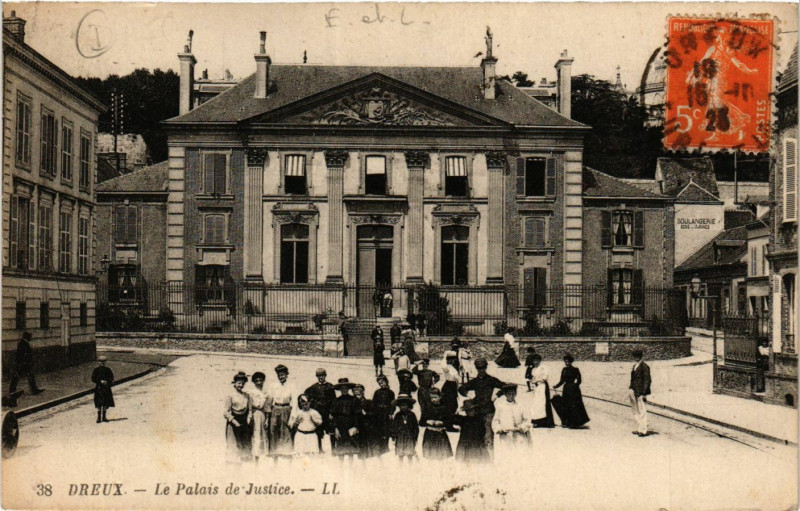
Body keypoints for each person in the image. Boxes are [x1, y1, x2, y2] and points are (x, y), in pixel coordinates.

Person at [458, 358, 505, 455]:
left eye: (483, 368)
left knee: (488, 437)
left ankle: (490, 461)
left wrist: (497, 395)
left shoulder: (491, 380)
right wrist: (469, 395)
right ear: (476, 369)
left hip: (489, 412)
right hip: (477, 413)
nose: (481, 370)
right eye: (479, 369)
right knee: (478, 437)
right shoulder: (474, 381)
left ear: (486, 368)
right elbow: (461, 388)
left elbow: (506, 387)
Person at [492, 383, 530, 460]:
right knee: (508, 457)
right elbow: (495, 421)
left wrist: (521, 427)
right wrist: (500, 429)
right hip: (506, 437)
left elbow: (527, 420)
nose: (511, 396)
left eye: (513, 393)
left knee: (520, 457)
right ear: (505, 394)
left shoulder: (520, 405)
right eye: (509, 394)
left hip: (519, 436)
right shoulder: (501, 406)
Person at [551, 354, 590, 429]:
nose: (567, 363)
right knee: (567, 405)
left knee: (574, 406)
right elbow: (562, 380)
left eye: (568, 362)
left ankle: (575, 422)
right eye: (565, 362)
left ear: (571, 362)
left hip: (574, 390)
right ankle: (568, 422)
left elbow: (579, 380)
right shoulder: (564, 370)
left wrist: (575, 386)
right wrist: (556, 386)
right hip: (566, 389)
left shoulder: (576, 369)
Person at [304, 368, 336, 453]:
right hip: (318, 412)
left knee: (331, 431)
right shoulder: (314, 387)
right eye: (319, 376)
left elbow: (334, 400)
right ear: (317, 376)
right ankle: (320, 449)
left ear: (325, 376)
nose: (321, 377)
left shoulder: (330, 386)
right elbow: (305, 395)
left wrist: (331, 412)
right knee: (319, 431)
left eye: (322, 375)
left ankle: (333, 449)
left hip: (328, 412)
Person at [224, 371, 253, 463]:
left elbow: (250, 410)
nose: (240, 385)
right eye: (239, 383)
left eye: (242, 384)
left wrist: (248, 419)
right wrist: (234, 422)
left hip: (244, 421)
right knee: (232, 443)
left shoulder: (247, 396)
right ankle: (232, 462)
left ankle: (243, 463)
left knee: (244, 442)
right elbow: (226, 412)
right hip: (233, 421)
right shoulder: (230, 395)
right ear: (235, 384)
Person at [331, 378, 361, 461]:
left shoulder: (354, 400)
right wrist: (336, 428)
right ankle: (340, 471)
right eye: (342, 388)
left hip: (350, 426)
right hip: (340, 427)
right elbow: (334, 417)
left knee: (350, 450)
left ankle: (351, 470)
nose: (344, 390)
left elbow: (357, 415)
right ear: (339, 389)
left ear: (349, 388)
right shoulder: (336, 401)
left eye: (346, 387)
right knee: (341, 451)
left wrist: (355, 427)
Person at [420, 388, 453, 460]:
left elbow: (449, 423)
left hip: (440, 434)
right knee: (430, 456)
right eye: (431, 397)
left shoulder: (444, 408)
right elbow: (421, 422)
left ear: (440, 397)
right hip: (429, 434)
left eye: (435, 397)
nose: (433, 399)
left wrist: (442, 423)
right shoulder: (427, 408)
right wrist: (427, 422)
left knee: (441, 456)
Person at [268, 365, 294, 457]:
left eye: (282, 375)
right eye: (279, 375)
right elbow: (269, 402)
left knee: (286, 430)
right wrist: (268, 417)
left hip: (286, 409)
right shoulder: (273, 386)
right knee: (274, 430)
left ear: (287, 375)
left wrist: (292, 418)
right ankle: (274, 452)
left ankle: (286, 453)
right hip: (276, 409)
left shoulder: (291, 386)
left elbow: (294, 402)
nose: (280, 377)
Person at [454, 399, 489, 464]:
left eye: (470, 410)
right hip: (465, 445)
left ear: (475, 410)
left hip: (476, 445)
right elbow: (453, 419)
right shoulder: (464, 419)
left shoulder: (480, 420)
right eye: (467, 411)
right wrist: (457, 412)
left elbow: (483, 432)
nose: (468, 412)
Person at [9, 332, 43, 396]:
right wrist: (24, 362)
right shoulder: (23, 343)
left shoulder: (23, 343)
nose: (31, 338)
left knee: (29, 376)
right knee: (17, 376)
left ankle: (34, 389)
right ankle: (12, 390)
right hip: (23, 364)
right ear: (26, 337)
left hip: (25, 363)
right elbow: (22, 355)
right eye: (30, 337)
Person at [249, 371, 272, 461]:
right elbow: (249, 406)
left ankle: (262, 456)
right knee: (255, 435)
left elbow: (267, 408)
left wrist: (267, 419)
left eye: (260, 380)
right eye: (256, 381)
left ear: (263, 381)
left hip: (262, 415)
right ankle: (255, 457)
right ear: (254, 382)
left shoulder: (266, 393)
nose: (259, 382)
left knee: (263, 435)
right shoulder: (251, 393)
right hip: (254, 415)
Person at [527, 354, 554, 428]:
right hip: (537, 388)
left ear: (539, 361)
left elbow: (545, 377)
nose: (535, 362)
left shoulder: (543, 367)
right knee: (536, 404)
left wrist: (536, 380)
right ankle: (537, 421)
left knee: (543, 403)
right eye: (534, 361)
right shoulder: (533, 369)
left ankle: (546, 422)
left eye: (537, 360)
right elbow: (533, 377)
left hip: (543, 386)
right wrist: (532, 381)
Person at [371, 375, 395, 456]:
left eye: (383, 382)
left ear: (386, 381)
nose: (382, 384)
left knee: (386, 430)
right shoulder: (377, 392)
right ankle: (380, 447)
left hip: (386, 414)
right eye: (379, 383)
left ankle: (385, 446)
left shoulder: (391, 392)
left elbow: (393, 404)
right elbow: (373, 403)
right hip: (378, 414)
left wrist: (391, 413)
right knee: (379, 430)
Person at [390, 394, 419, 463]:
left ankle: (410, 467)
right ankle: (401, 468)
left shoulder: (412, 415)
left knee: (410, 454)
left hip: (410, 436)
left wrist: (415, 438)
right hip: (400, 437)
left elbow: (415, 427)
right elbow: (394, 426)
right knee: (401, 454)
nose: (403, 407)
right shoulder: (397, 415)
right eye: (401, 405)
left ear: (409, 405)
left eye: (405, 405)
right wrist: (394, 437)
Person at [629, 350, 652, 437]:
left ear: (641, 356)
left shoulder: (645, 367)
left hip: (640, 392)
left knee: (642, 411)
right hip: (634, 391)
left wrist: (644, 393)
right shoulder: (635, 366)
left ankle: (643, 430)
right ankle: (640, 428)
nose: (636, 358)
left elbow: (647, 380)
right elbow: (632, 379)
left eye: (638, 356)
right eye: (635, 356)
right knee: (635, 410)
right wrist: (631, 387)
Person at [353, 384, 375, 459]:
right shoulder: (353, 403)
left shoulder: (369, 402)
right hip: (359, 427)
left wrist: (366, 413)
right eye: (355, 395)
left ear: (363, 393)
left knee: (369, 445)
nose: (357, 397)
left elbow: (374, 414)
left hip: (368, 426)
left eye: (358, 394)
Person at [91, 356, 115, 423]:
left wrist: (108, 382)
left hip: (106, 388)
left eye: (103, 362)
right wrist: (100, 381)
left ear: (105, 362)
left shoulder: (108, 370)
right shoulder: (96, 370)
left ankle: (104, 417)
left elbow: (111, 378)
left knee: (105, 402)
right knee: (99, 403)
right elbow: (93, 379)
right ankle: (99, 418)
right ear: (98, 362)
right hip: (99, 388)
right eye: (100, 362)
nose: (102, 363)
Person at [440, 351, 460, 417]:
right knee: (449, 404)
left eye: (452, 359)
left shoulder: (452, 367)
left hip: (453, 386)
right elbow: (443, 366)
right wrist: (444, 356)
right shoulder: (447, 367)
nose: (451, 360)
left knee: (454, 404)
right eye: (449, 359)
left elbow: (456, 378)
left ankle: (451, 417)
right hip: (448, 386)